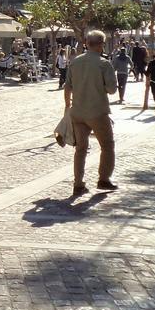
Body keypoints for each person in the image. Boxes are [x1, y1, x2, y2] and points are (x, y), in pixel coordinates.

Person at [63, 30, 119, 195]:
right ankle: (104, 179)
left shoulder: (75, 62)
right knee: (107, 145)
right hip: (97, 112)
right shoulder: (104, 64)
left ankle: (78, 183)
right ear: (102, 45)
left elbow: (67, 87)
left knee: (80, 148)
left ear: (86, 43)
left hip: (78, 112)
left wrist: (67, 106)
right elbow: (112, 90)